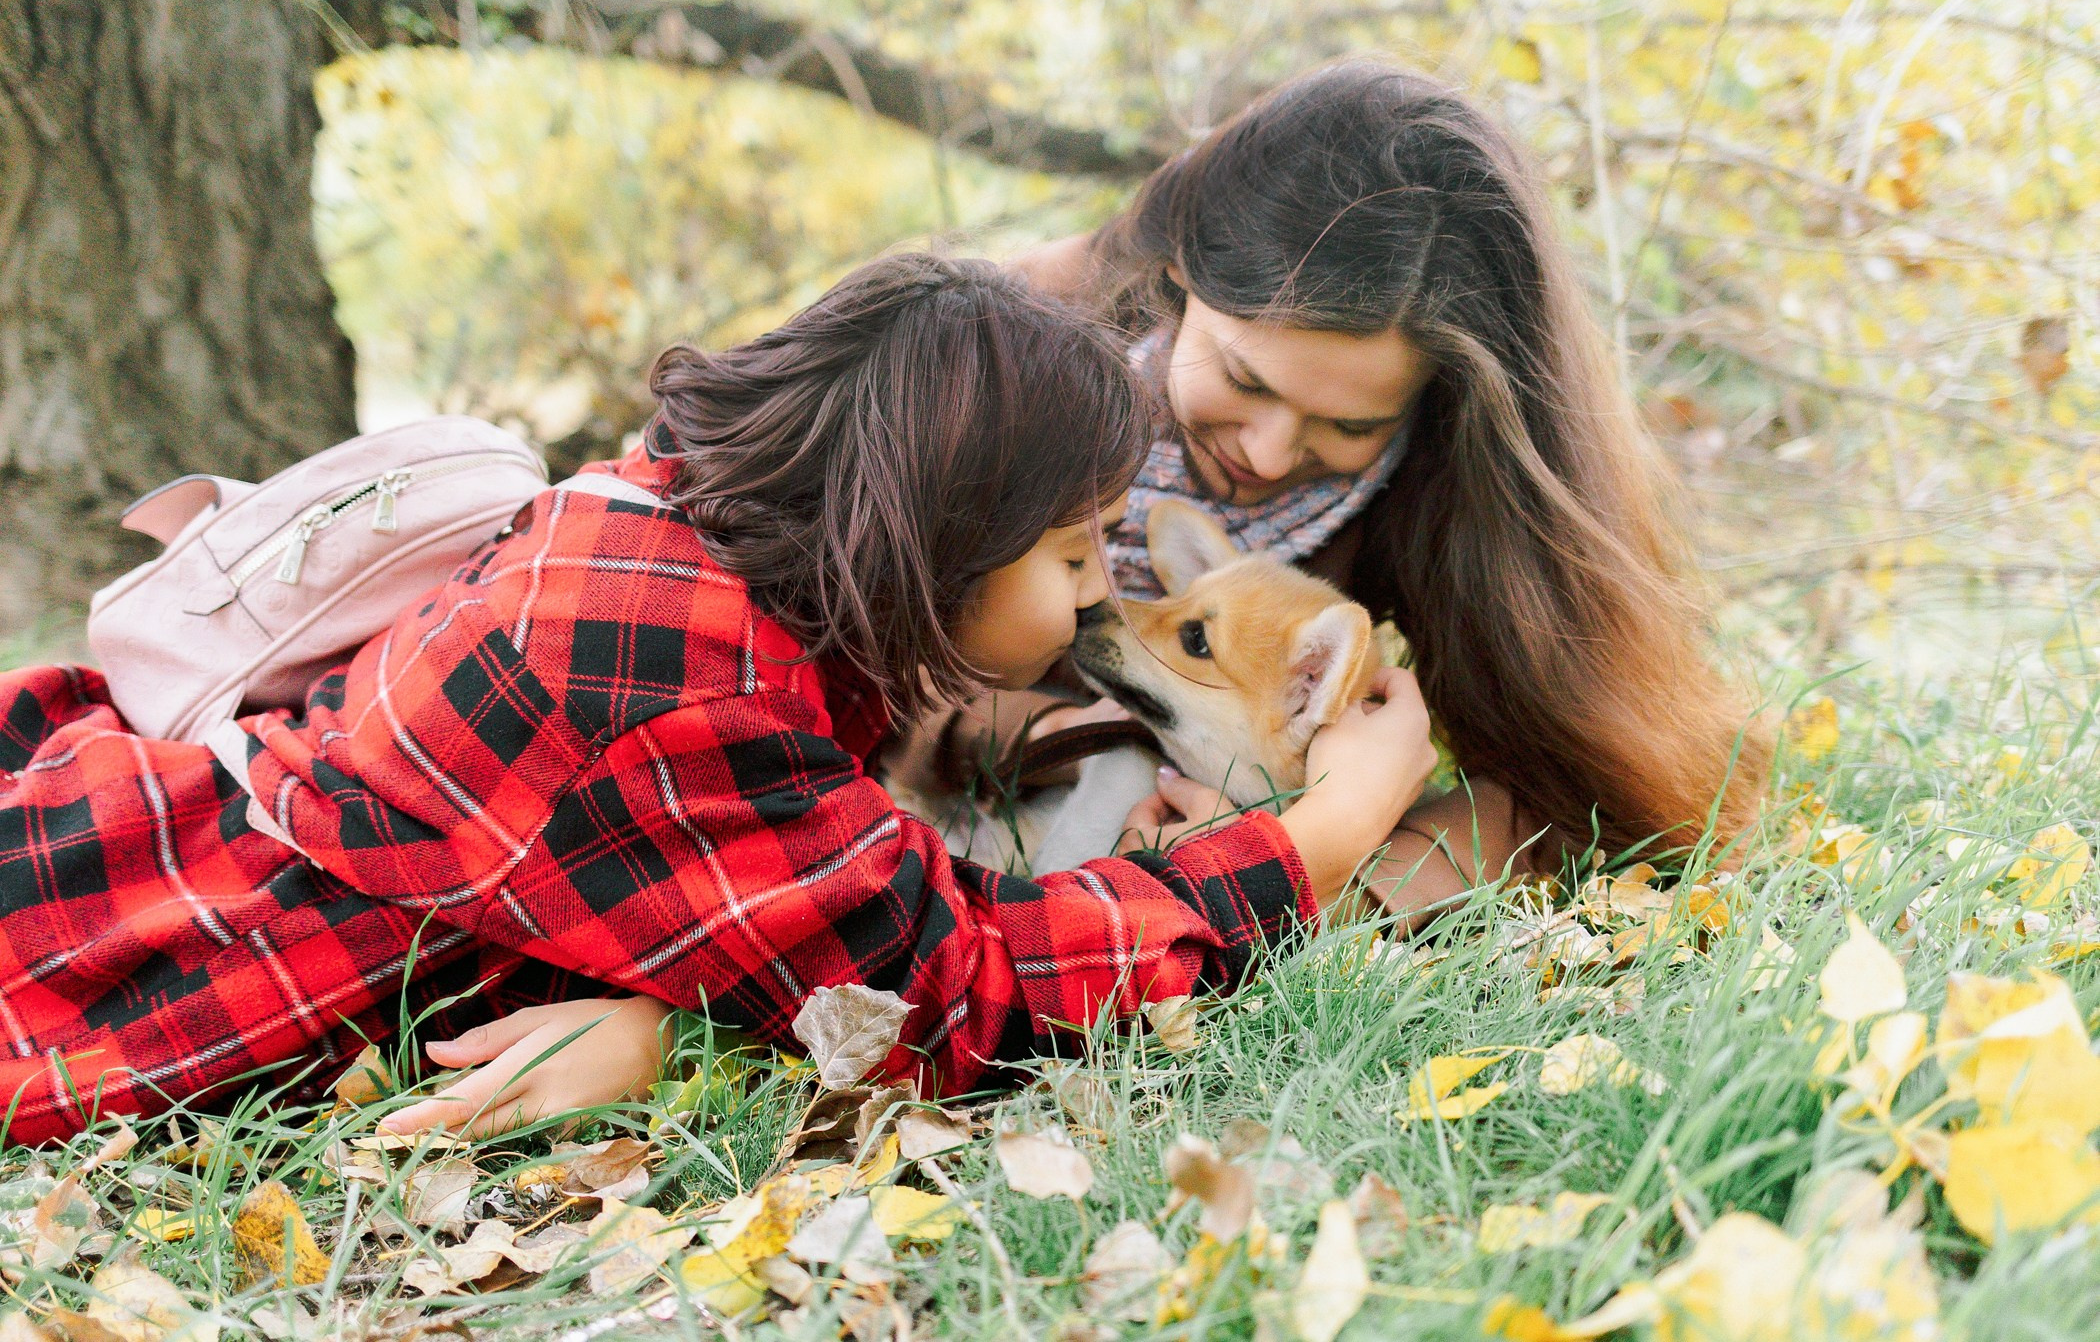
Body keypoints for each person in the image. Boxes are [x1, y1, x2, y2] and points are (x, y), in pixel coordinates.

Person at [0, 254, 1435, 1145]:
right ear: (937, 530)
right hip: (102, 956)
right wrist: (1322, 834)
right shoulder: (678, 684)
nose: (1090, 593)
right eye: (1072, 550)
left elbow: (773, 909)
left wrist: (669, 1030)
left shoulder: (672, 525)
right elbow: (955, 996)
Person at [896, 59, 1769, 923]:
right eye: (1244, 377)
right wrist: (1060, 738)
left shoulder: (1454, 486)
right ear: (1179, 276)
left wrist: (1316, 868)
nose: (1271, 456)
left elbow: (1587, 793)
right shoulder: (993, 349)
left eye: (1352, 426)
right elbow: (841, 644)